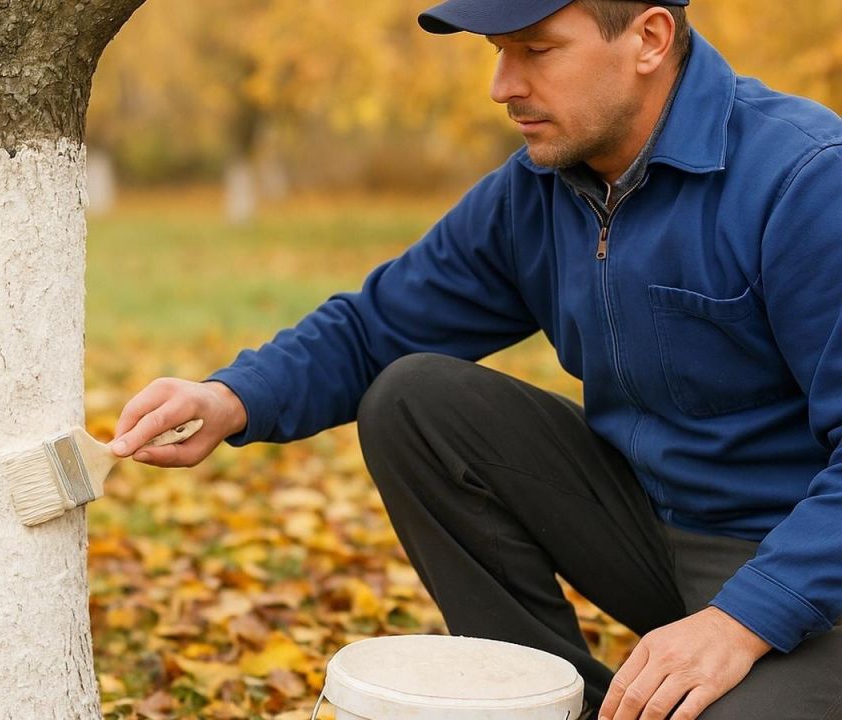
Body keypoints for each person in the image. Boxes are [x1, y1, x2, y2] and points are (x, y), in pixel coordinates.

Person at [110, 1, 842, 718]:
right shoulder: (543, 188)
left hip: (812, 573)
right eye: (498, 51)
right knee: (415, 401)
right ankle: (562, 707)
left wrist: (740, 621)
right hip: (654, 531)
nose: (502, 85)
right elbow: (380, 326)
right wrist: (231, 396)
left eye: (537, 49)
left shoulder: (805, 179)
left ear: (649, 38)